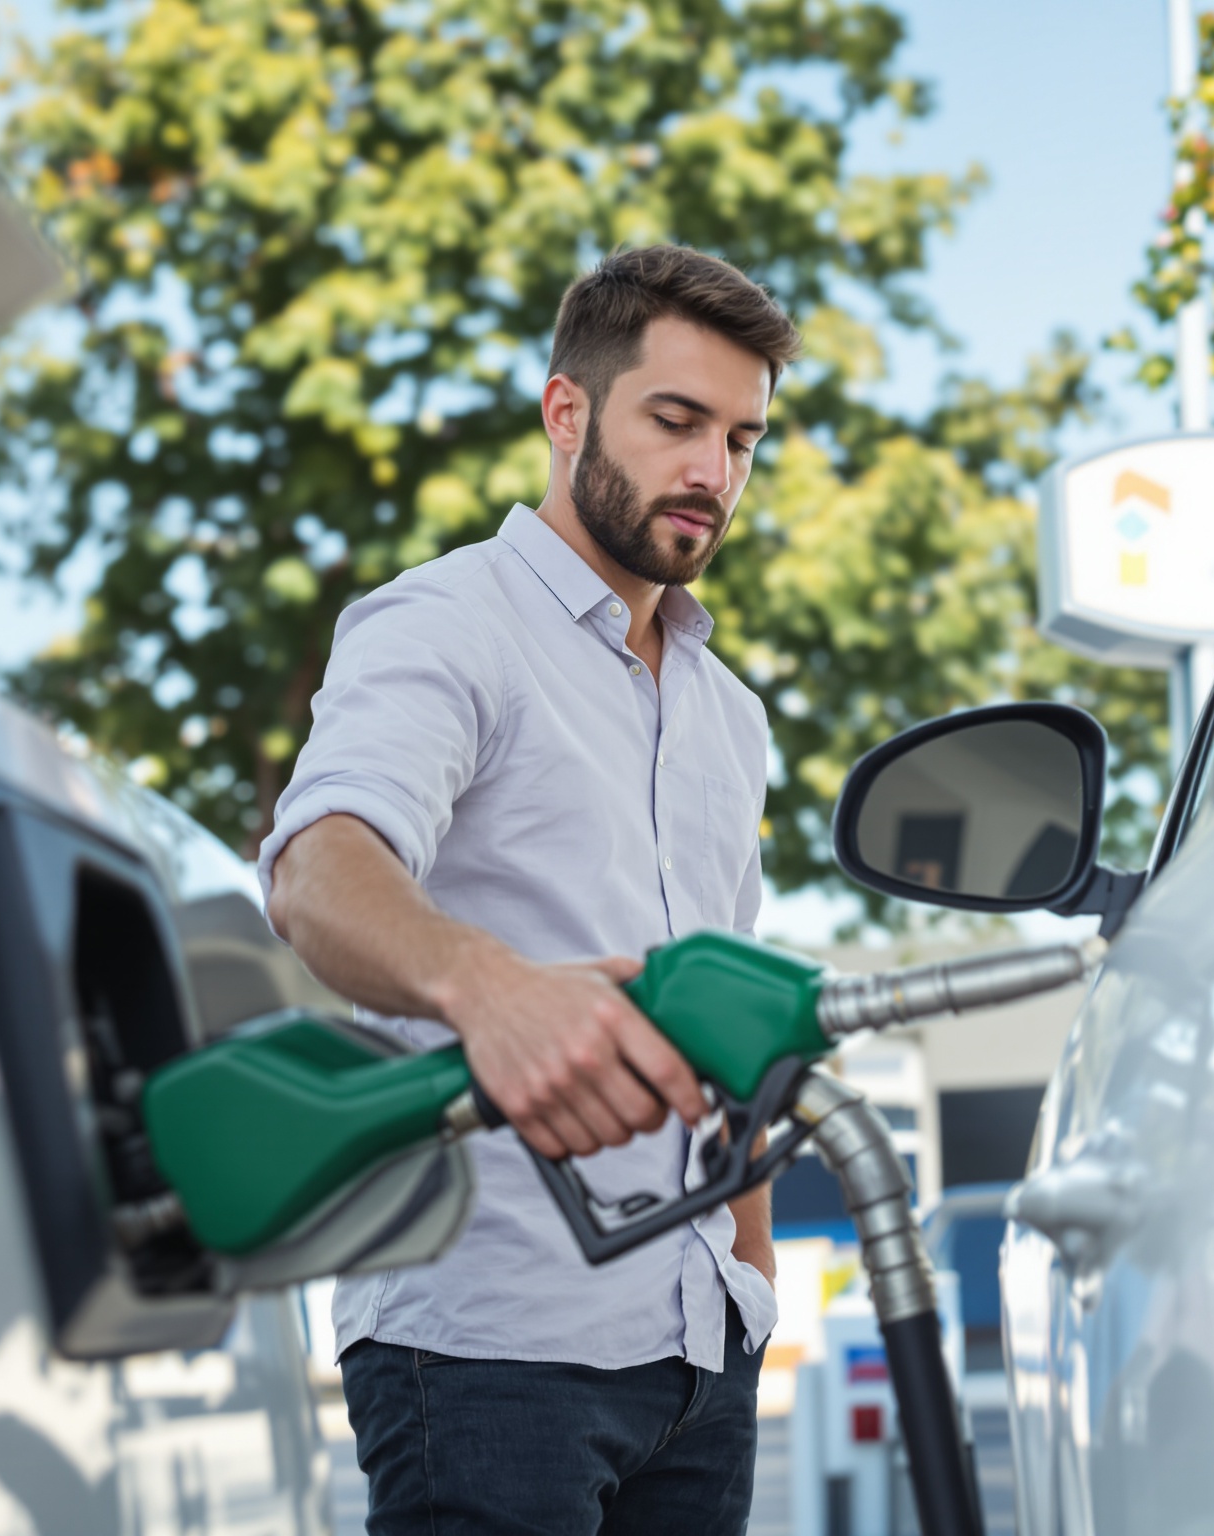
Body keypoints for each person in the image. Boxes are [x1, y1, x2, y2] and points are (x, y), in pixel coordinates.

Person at [258, 244, 798, 1535]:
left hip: (698, 1348)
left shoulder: (730, 715)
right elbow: (320, 862)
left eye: (743, 438)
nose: (712, 473)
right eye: (676, 422)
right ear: (568, 413)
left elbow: (738, 1020)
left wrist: (753, 1275)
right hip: (491, 1349)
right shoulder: (447, 624)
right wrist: (484, 986)